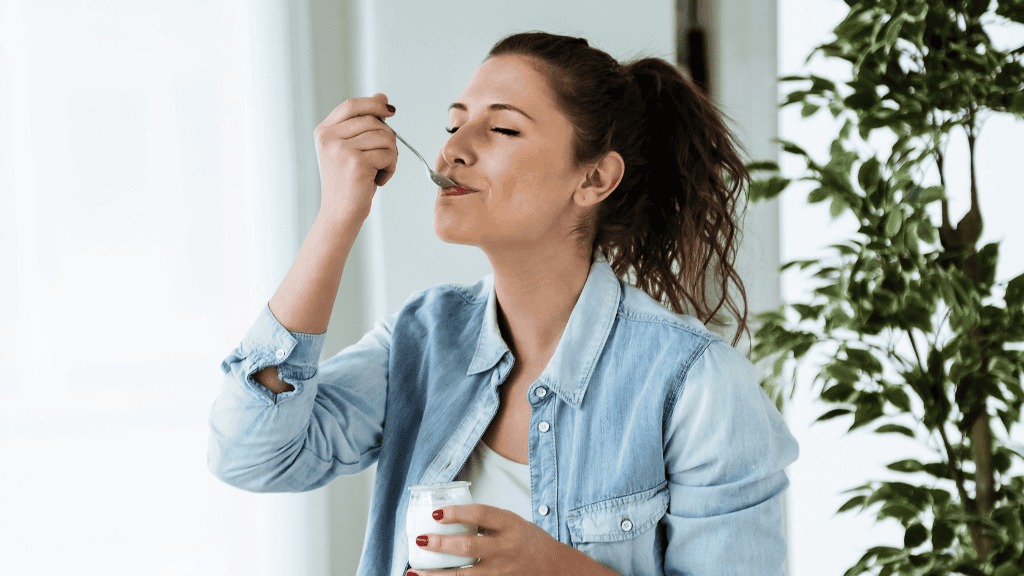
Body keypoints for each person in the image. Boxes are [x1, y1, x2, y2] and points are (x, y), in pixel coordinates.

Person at [208, 31, 799, 576]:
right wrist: (337, 217)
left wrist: (560, 570)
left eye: (503, 129)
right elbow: (252, 456)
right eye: (452, 125)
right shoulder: (422, 339)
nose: (452, 153)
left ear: (593, 179)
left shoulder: (696, 383)